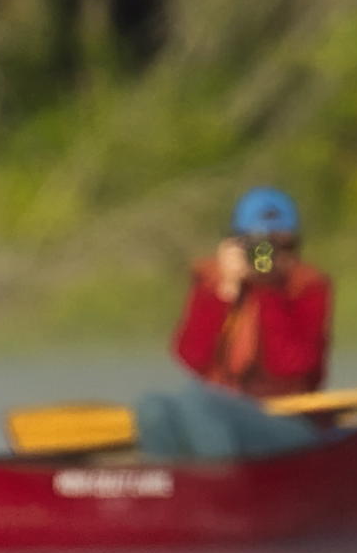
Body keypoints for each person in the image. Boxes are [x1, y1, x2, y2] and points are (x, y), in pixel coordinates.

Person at [134, 187, 333, 461]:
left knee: (199, 403)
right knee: (152, 407)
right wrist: (225, 292)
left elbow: (291, 366)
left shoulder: (307, 288)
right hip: (216, 413)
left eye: (280, 246)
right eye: (256, 246)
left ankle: (223, 487)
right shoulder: (215, 283)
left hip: (286, 419)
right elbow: (192, 356)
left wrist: (266, 290)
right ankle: (174, 491)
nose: (267, 257)